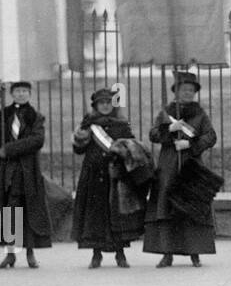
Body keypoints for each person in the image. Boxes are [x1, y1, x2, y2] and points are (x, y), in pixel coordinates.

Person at [144, 70, 219, 267]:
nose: (187, 93)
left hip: (191, 165)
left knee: (191, 207)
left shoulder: (200, 114)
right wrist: (169, 129)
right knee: (166, 208)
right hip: (168, 165)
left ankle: (194, 252)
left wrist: (191, 145)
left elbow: (211, 137)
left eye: (191, 90)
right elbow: (153, 135)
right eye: (184, 89)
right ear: (176, 91)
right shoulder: (166, 112)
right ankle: (167, 253)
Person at [0, 80, 52, 268]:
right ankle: (10, 253)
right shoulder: (5, 114)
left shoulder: (36, 116)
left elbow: (37, 140)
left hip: (27, 171)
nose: (21, 94)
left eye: (25, 91)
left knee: (28, 211)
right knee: (8, 211)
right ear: (12, 94)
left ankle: (30, 252)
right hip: (6, 172)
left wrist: (9, 149)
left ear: (30, 94)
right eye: (18, 91)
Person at [71, 87, 141, 267]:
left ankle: (120, 253)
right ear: (95, 105)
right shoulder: (88, 123)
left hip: (116, 175)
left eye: (108, 103)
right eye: (101, 103)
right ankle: (96, 254)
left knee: (116, 215)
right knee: (95, 215)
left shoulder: (122, 124)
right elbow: (78, 150)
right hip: (93, 175)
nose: (105, 106)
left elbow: (132, 146)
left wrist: (123, 149)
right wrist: (80, 138)